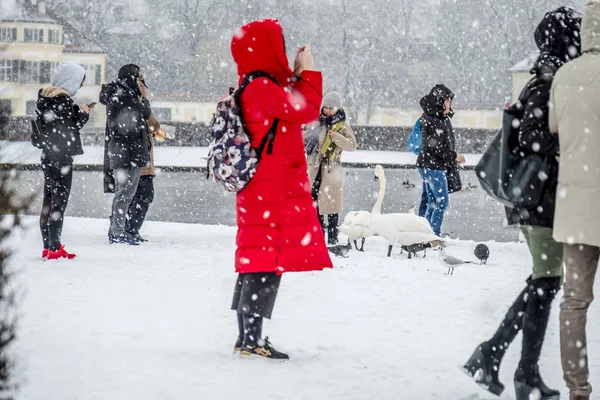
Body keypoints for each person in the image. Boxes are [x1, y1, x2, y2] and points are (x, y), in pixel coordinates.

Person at [463, 7, 582, 400]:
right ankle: (498, 357)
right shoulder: (547, 82)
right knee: (546, 283)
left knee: (544, 283)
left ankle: (512, 365)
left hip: (544, 198)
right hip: (540, 199)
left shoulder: (551, 77)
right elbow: (532, 137)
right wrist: (572, 146)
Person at [230, 19, 333, 360]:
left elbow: (289, 104)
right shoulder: (260, 86)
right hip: (269, 191)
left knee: (255, 259)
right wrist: (309, 72)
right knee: (264, 262)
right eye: (280, 45)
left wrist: (296, 75)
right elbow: (305, 109)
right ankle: (252, 340)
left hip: (262, 189)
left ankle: (247, 337)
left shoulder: (254, 83)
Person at [549, 2, 600, 399]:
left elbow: (553, 127)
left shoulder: (564, 76)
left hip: (577, 208)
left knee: (574, 303)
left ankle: (578, 390)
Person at [37, 62, 92, 260]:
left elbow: (58, 127)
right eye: (80, 82)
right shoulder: (62, 100)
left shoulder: (46, 98)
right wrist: (83, 115)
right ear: (71, 80)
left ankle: (48, 246)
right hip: (61, 158)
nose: (81, 86)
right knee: (58, 205)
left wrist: (76, 115)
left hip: (48, 155)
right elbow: (68, 130)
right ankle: (54, 249)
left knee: (48, 202)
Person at [99, 64, 152, 245]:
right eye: (138, 78)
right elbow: (144, 113)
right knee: (125, 195)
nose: (140, 82)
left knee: (125, 194)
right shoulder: (125, 95)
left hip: (123, 151)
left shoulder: (117, 93)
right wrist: (144, 98)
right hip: (128, 152)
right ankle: (117, 232)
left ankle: (118, 230)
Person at [307, 91, 357, 245]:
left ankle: (333, 236)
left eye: (331, 108)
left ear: (338, 109)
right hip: (315, 167)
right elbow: (301, 137)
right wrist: (309, 128)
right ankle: (319, 235)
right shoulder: (316, 122)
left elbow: (352, 145)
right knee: (315, 201)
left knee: (332, 203)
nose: (327, 111)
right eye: (326, 107)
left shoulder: (342, 125)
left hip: (331, 168)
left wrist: (338, 138)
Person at [416, 84, 465, 236]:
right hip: (432, 167)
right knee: (441, 202)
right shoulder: (434, 119)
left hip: (429, 165)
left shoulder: (436, 117)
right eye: (448, 100)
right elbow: (435, 148)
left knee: (433, 202)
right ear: (439, 101)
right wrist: (454, 156)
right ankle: (433, 235)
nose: (450, 104)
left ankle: (425, 233)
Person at [123, 114, 159, 242]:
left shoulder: (127, 106)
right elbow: (154, 126)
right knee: (144, 195)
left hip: (134, 162)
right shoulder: (140, 106)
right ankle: (130, 229)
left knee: (130, 196)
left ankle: (127, 228)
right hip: (140, 164)